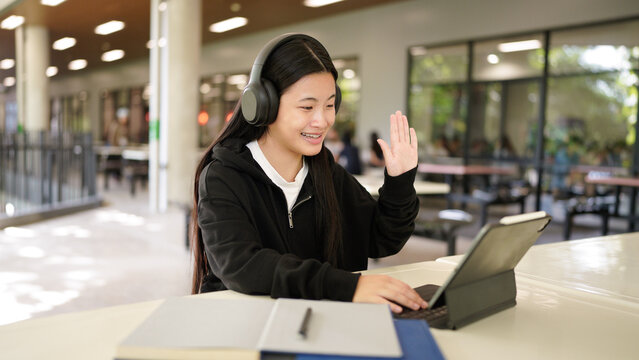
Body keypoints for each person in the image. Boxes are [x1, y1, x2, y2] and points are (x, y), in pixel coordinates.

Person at [190, 33, 426, 314]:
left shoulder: (326, 173)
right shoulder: (223, 177)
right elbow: (242, 265)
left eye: (329, 105)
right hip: (246, 326)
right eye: (307, 107)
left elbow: (382, 238)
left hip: (321, 324)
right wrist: (346, 287)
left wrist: (400, 181)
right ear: (264, 105)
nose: (323, 120)